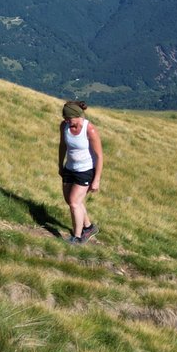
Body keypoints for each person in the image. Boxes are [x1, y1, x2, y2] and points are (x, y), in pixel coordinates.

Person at [58, 100, 104, 244]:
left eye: (69, 118)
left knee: (74, 203)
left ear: (77, 116)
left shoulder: (89, 130)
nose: (66, 121)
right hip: (69, 168)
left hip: (85, 171)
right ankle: (89, 227)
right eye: (65, 118)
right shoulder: (64, 126)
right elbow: (62, 145)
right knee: (71, 200)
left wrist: (96, 180)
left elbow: (99, 156)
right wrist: (60, 165)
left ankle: (77, 237)